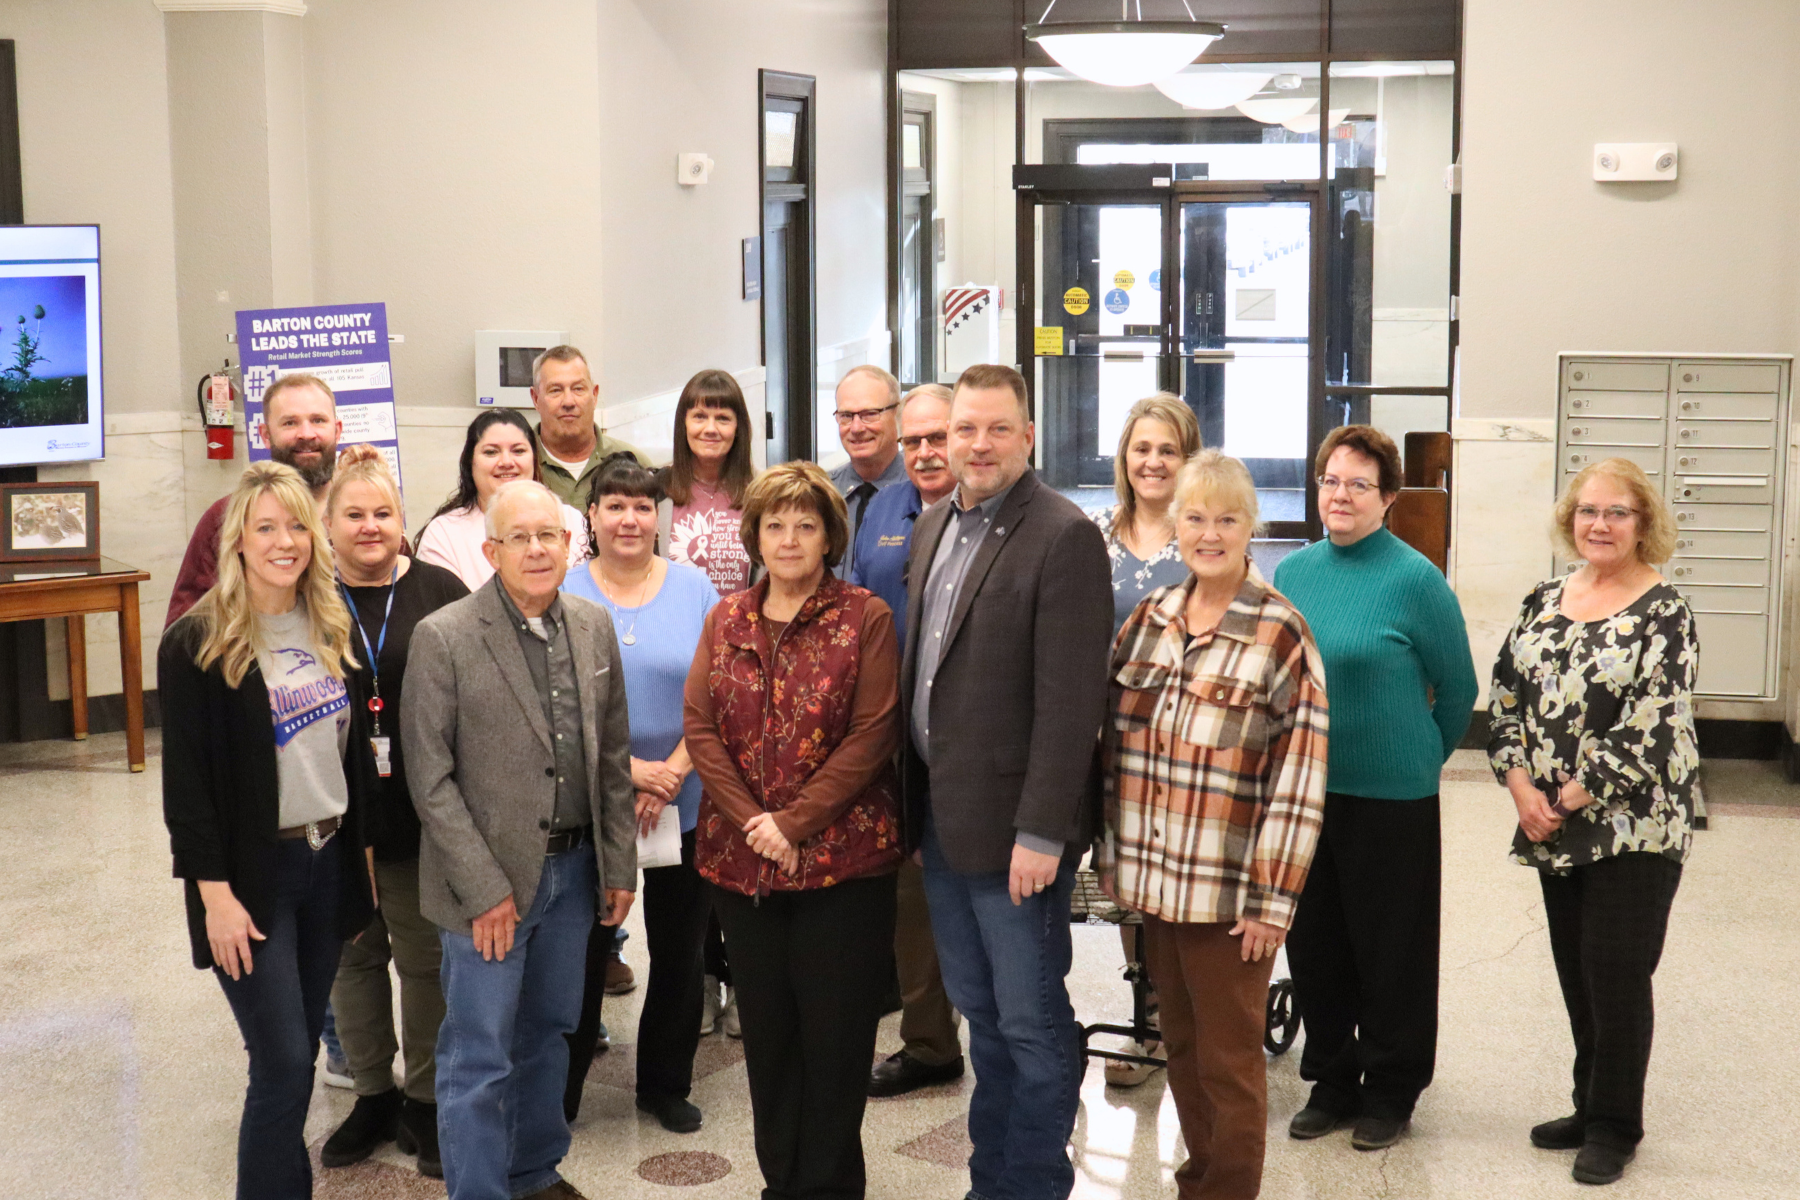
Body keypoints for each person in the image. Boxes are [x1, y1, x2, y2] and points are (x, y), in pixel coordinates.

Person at [900, 363, 1113, 1200]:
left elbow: (1070, 706)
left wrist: (1042, 833)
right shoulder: (932, 529)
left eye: (996, 429)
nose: (978, 445)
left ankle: (1030, 1184)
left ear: (1029, 436)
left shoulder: (1061, 534)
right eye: (964, 429)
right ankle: (991, 1180)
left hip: (1016, 837)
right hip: (942, 825)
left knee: (1030, 1023)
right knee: (981, 1018)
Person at [1098, 450, 1330, 1199]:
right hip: (1156, 887)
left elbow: (1300, 781)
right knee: (1185, 1051)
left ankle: (1228, 1189)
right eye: (1195, 518)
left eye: (1226, 519)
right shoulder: (1149, 621)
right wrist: (1112, 859)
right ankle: (1196, 1181)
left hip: (1229, 899)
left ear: (1249, 527)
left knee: (1229, 1066)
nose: (1209, 533)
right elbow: (1114, 754)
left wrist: (1272, 901)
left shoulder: (1280, 632)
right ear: (1176, 526)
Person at [402, 480, 637, 1200]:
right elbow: (430, 781)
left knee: (550, 1036)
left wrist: (619, 865)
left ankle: (533, 1170)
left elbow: (613, 759)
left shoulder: (594, 625)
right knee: (479, 1053)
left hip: (574, 878)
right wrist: (485, 891)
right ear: (490, 550)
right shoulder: (444, 636)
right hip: (488, 891)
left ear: (571, 545)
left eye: (549, 536)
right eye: (520, 538)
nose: (537, 550)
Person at [683, 461, 903, 1199]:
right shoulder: (727, 618)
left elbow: (873, 735)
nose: (788, 538)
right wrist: (756, 824)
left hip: (843, 870)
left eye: (805, 524)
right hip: (744, 869)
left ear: (828, 536)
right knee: (771, 1047)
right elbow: (701, 728)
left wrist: (796, 822)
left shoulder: (864, 616)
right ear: (754, 533)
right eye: (774, 524)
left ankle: (831, 1188)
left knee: (836, 1047)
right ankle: (784, 1186)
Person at [159, 460, 374, 1200]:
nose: (285, 542)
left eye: (296, 527)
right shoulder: (198, 643)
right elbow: (187, 795)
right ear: (238, 542)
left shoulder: (329, 623)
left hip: (325, 864)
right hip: (251, 882)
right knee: (282, 1062)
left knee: (299, 1054)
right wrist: (214, 898)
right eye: (266, 528)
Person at [1488, 458, 1696, 1188]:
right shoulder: (1545, 599)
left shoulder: (1665, 611)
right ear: (1569, 520)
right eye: (1587, 511)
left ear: (1644, 525)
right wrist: (1519, 785)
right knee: (1577, 972)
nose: (1600, 524)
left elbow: (1653, 724)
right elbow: (1505, 696)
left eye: (1617, 513)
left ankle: (1614, 1125)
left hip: (1636, 826)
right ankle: (1587, 1103)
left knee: (1615, 971)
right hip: (1550, 820)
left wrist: (1568, 796)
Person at [1273, 424, 1479, 1151]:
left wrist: (1419, 757)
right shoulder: (1293, 574)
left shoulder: (1415, 578)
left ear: (1388, 497)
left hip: (1393, 797)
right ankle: (1331, 1079)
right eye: (1331, 480)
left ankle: (1391, 1088)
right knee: (1318, 941)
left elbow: (1458, 688)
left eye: (1359, 484)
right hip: (1307, 795)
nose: (1341, 495)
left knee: (1392, 948)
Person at [317, 447, 470, 1178]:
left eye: (383, 513)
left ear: (403, 521)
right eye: (354, 514)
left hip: (421, 807)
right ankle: (372, 1093)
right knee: (353, 957)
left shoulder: (440, 589)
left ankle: (428, 1101)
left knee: (424, 960)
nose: (370, 526)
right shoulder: (307, 594)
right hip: (336, 813)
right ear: (329, 523)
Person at [561, 456, 720, 1132]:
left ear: (661, 516)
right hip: (593, 804)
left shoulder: (694, 588)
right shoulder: (564, 590)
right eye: (615, 505)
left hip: (684, 800)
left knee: (681, 950)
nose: (629, 518)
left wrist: (673, 771)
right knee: (583, 950)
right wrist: (630, 772)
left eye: (642, 506)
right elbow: (555, 705)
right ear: (591, 516)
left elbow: (716, 692)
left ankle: (664, 1082)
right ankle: (559, 1089)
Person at [848, 382, 965, 1099]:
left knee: (969, 889)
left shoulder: (986, 515)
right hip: (888, 730)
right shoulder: (883, 510)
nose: (926, 452)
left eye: (938, 437)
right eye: (915, 440)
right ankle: (929, 1040)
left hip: (964, 740)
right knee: (909, 891)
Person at [1087, 392, 1203, 1087]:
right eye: (1142, 449)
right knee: (1128, 877)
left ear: (1187, 459)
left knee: (1177, 877)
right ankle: (1147, 1012)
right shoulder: (1093, 535)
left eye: (1167, 449)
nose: (1153, 461)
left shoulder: (1203, 534)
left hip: (1189, 747)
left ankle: (1182, 1016)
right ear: (1124, 459)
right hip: (1111, 741)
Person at [166, 372, 342, 626]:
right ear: (265, 434)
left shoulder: (364, 515)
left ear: (337, 430)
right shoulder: (226, 517)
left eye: (318, 420)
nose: (306, 434)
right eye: (290, 423)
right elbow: (184, 630)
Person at [416, 410, 592, 592]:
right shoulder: (443, 534)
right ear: (470, 463)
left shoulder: (571, 519)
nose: (507, 462)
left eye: (518, 451)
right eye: (491, 452)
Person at [657, 368, 757, 596]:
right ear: (684, 424)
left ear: (738, 428)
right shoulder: (656, 489)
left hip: (742, 627)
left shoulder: (764, 491)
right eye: (700, 417)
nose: (710, 429)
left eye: (722, 418)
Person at [528, 344, 649, 504]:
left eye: (578, 389)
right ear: (536, 399)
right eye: (555, 390)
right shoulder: (518, 464)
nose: (568, 402)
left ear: (594, 395)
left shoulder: (635, 464)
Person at [827, 364, 907, 570]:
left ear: (898, 415)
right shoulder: (822, 494)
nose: (856, 428)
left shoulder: (923, 492)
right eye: (846, 416)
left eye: (869, 414)